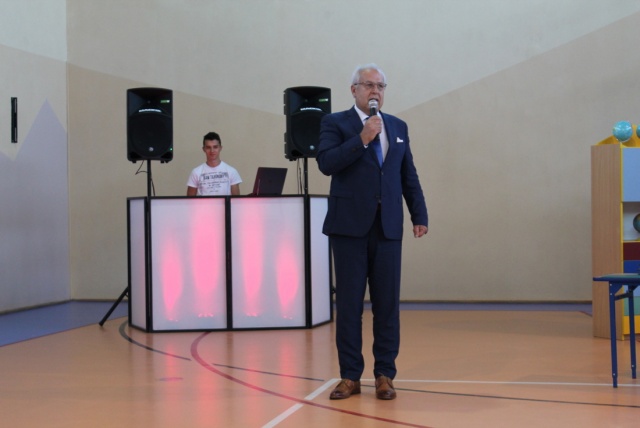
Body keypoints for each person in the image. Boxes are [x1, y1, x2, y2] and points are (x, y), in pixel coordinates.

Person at [316, 63, 428, 400]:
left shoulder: (397, 126)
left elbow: (408, 174)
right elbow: (326, 163)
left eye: (380, 86)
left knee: (387, 305)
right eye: (368, 85)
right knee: (349, 305)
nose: (375, 91)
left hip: (388, 227)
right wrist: (362, 139)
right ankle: (350, 376)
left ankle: (384, 375)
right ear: (354, 90)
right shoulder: (335, 123)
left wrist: (419, 213)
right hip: (349, 228)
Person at [187, 132, 242, 196]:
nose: (212, 151)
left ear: (220, 148)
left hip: (225, 203)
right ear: (204, 149)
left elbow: (236, 199)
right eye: (208, 147)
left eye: (215, 147)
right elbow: (189, 200)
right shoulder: (196, 172)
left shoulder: (232, 171)